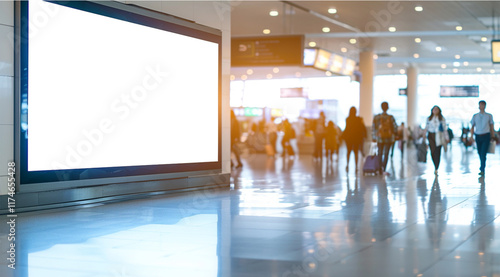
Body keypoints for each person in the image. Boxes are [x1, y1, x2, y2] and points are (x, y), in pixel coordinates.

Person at [470, 100, 495, 176]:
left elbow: (491, 126)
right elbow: (472, 126)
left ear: (485, 106)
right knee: (479, 152)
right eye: (480, 105)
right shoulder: (475, 116)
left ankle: (482, 168)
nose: (482, 106)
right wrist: (471, 136)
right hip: (478, 136)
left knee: (483, 153)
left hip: (486, 135)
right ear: (478, 106)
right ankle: (482, 166)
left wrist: (492, 135)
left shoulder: (489, 116)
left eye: (483, 105)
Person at [372, 102, 397, 175]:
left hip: (379, 138)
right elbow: (395, 128)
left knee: (380, 152)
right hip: (389, 139)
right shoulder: (391, 117)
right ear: (387, 108)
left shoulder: (377, 117)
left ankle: (379, 168)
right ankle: (384, 169)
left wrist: (374, 137)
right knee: (386, 153)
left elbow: (374, 128)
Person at [424, 106, 449, 175]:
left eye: (436, 109)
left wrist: (447, 138)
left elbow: (444, 129)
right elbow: (426, 127)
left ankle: (436, 167)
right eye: (434, 109)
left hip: (439, 136)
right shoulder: (429, 119)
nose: (435, 110)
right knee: (432, 151)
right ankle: (435, 164)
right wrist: (424, 136)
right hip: (431, 136)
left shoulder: (442, 119)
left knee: (437, 152)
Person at [342, 107, 367, 172]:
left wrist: (343, 136)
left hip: (349, 138)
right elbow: (362, 128)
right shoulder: (359, 119)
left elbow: (347, 128)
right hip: (356, 138)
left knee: (348, 152)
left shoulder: (348, 119)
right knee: (356, 152)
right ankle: (356, 167)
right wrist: (364, 136)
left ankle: (347, 165)